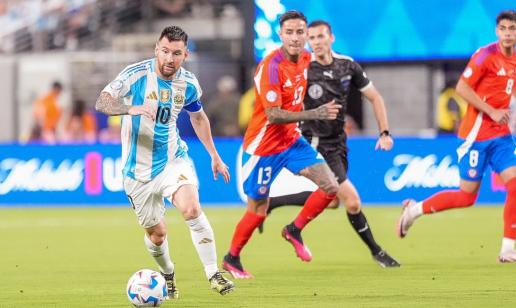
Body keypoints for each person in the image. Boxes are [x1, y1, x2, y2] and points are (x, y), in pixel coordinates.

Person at [397, 11, 516, 263]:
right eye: (503, 28)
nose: (508, 33)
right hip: (475, 136)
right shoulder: (485, 55)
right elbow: (462, 88)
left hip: (501, 136)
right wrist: (491, 110)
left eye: (512, 29)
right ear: (496, 31)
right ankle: (414, 210)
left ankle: (507, 249)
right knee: (466, 197)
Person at [95, 26, 235, 298]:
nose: (170, 58)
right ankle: (168, 275)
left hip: (173, 160)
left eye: (177, 53)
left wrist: (214, 156)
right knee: (157, 235)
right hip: (138, 173)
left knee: (192, 209)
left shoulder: (189, 84)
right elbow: (102, 102)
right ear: (156, 50)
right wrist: (128, 108)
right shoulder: (135, 75)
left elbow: (198, 117)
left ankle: (213, 273)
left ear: (185, 55)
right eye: (165, 51)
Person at [260, 20, 400, 268]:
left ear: (331, 37)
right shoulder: (303, 68)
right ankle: (376, 251)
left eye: (320, 36)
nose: (316, 42)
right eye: (311, 38)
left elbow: (375, 97)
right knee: (352, 200)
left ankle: (274, 203)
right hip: (314, 141)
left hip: (338, 142)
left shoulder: (347, 66)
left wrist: (384, 132)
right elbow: (281, 100)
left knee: (332, 200)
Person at [222, 10, 342, 279]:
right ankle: (232, 257)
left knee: (331, 187)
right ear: (280, 34)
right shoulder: (270, 66)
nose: (296, 37)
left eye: (301, 32)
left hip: (291, 140)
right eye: (290, 32)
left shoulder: (307, 58)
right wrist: (316, 113)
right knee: (258, 209)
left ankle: (294, 229)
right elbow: (274, 114)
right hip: (263, 147)